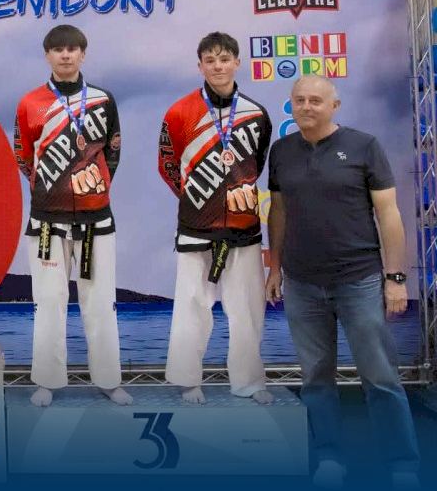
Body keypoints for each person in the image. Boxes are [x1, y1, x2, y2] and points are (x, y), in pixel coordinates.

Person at [265, 76, 420, 489]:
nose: (307, 107)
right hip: (302, 283)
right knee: (316, 380)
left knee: (380, 377)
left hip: (360, 280)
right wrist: (275, 268)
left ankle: (402, 464)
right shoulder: (281, 152)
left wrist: (396, 278)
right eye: (299, 100)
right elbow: (278, 212)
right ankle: (329, 458)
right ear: (291, 105)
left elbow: (389, 215)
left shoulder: (364, 146)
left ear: (334, 105)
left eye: (316, 100)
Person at [14, 24, 130, 407]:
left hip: (97, 219)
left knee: (100, 302)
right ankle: (47, 381)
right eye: (58, 49)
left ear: (83, 54)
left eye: (72, 49)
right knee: (49, 301)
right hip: (47, 221)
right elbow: (23, 155)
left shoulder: (103, 100)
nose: (65, 55)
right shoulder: (29, 103)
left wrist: (95, 188)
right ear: (47, 55)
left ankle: (109, 380)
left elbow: (113, 151)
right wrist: (52, 189)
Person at [157, 32, 275, 405]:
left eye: (224, 59)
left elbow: (256, 164)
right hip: (196, 227)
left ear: (237, 62)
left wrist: (235, 195)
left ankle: (249, 382)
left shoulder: (256, 114)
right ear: (200, 66)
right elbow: (167, 164)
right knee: (191, 305)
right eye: (210, 60)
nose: (218, 66)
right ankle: (187, 380)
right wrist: (199, 200)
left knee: (248, 309)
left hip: (244, 228)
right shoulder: (178, 112)